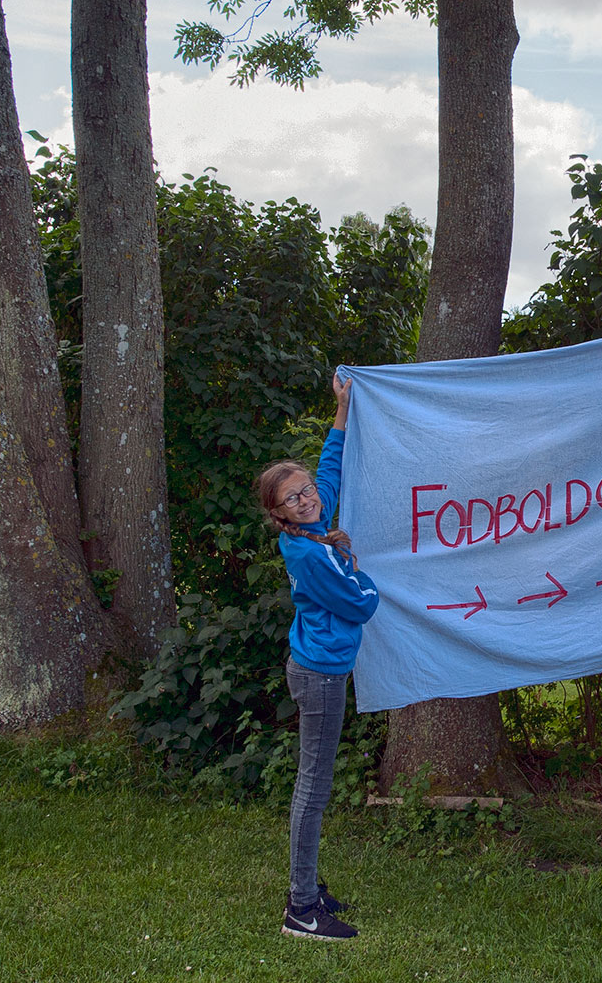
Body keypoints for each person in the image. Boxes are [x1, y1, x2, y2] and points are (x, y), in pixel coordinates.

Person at [256, 372, 380, 941]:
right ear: (279, 515)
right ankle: (302, 909)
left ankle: (306, 889)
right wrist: (357, 566)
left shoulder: (312, 529)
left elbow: (329, 471)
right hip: (320, 676)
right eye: (295, 498)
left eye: (307, 491)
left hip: (315, 668)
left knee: (316, 782)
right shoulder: (310, 556)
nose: (309, 499)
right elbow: (361, 605)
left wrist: (343, 410)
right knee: (314, 786)